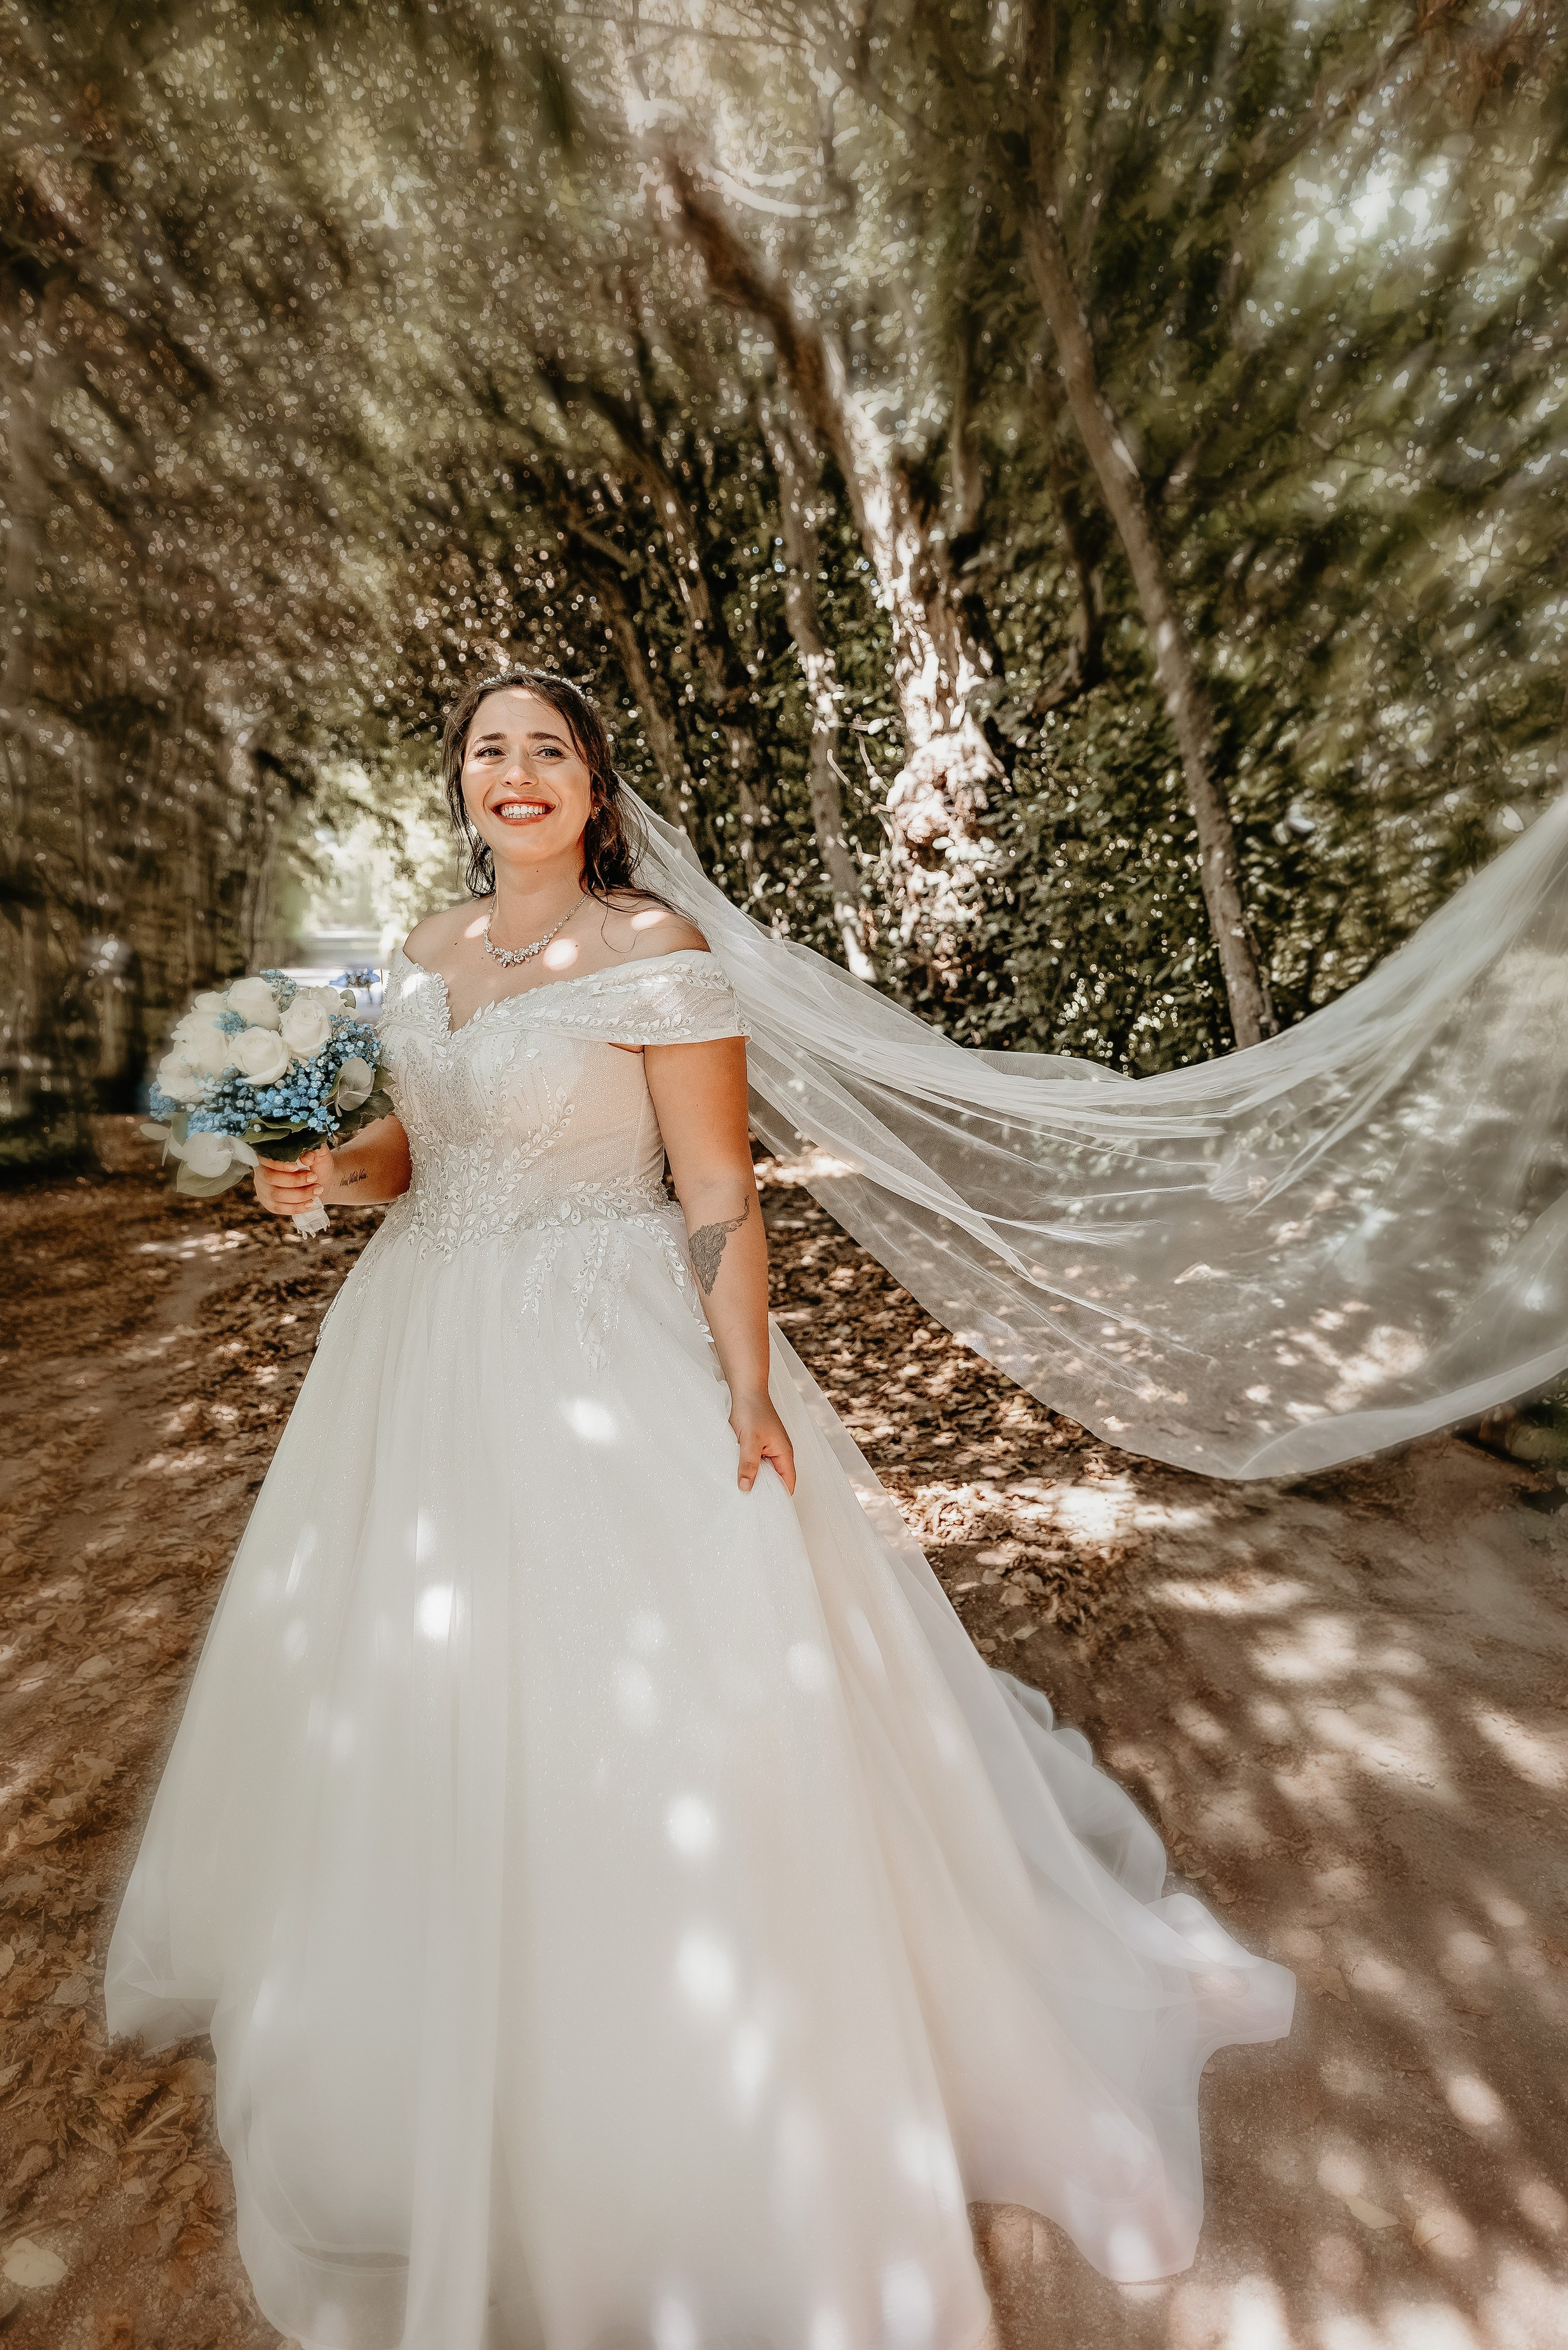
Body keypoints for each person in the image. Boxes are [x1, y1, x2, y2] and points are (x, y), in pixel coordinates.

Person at [107, 668, 1292, 2350]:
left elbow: (717, 1180)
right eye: (490, 750)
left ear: (595, 789)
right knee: (427, 1680)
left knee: (641, 1688)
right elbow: (412, 1155)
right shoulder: (425, 952)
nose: (519, 772)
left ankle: (664, 2060)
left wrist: (745, 1386)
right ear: (462, 785)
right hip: (421, 1339)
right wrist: (318, 1171)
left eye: (551, 749)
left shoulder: (656, 951)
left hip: (602, 1334)